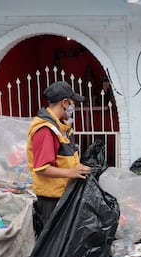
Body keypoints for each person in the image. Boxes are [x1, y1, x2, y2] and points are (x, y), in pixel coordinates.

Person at [27, 81, 91, 227]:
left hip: (61, 196)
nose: (72, 108)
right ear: (64, 102)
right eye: (72, 104)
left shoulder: (59, 127)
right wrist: (71, 172)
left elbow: (64, 158)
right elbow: (42, 168)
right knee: (54, 247)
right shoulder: (45, 130)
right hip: (51, 201)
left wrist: (78, 167)